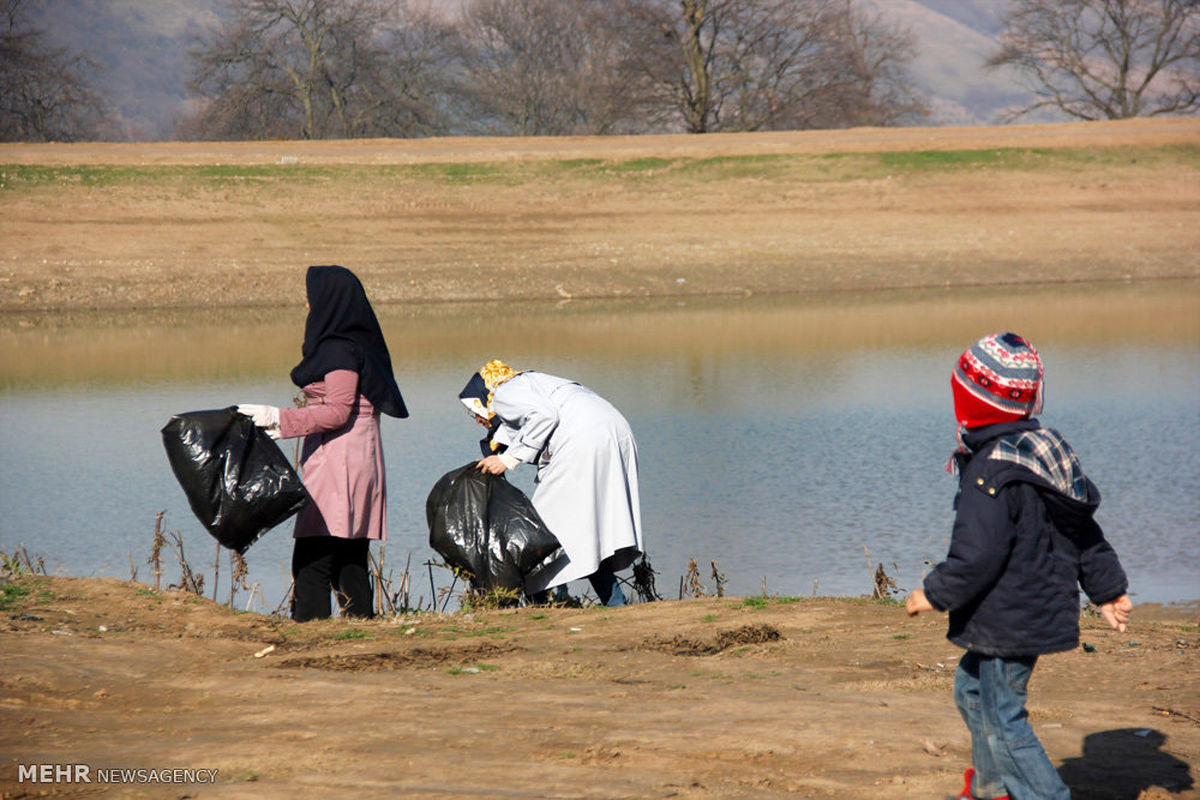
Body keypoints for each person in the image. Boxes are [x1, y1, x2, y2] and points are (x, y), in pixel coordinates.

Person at [905, 332, 1132, 800]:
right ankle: (993, 788)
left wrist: (933, 593)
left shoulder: (991, 469)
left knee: (1005, 721)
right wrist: (1107, 589)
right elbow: (1083, 530)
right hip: (1019, 611)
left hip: (1011, 616)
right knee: (970, 692)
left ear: (969, 404)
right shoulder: (1041, 454)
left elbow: (978, 554)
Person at [239, 265, 408, 622]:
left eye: (311, 297)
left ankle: (309, 631)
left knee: (313, 555)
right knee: (348, 552)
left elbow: (336, 412)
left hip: (340, 456)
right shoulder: (358, 343)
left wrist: (277, 418)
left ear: (327, 301)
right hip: (358, 453)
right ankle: (361, 623)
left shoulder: (338, 349)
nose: (306, 305)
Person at [459, 360, 643, 606]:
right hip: (615, 432)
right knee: (584, 528)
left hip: (583, 439)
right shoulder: (532, 382)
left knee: (537, 533)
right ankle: (614, 604)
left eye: (475, 411)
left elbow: (544, 416)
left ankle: (540, 606)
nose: (478, 420)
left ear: (483, 397)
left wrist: (508, 459)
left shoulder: (502, 393)